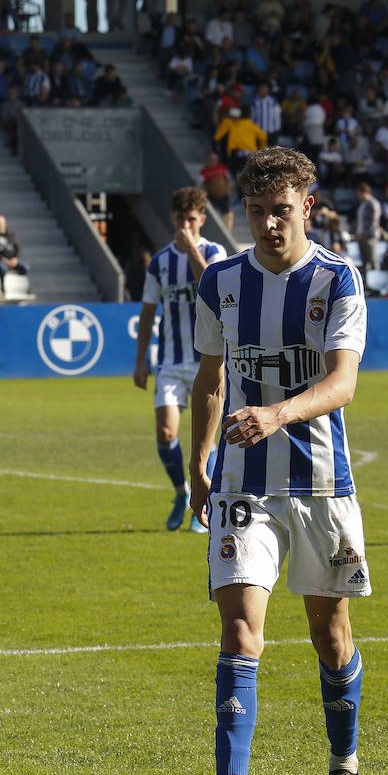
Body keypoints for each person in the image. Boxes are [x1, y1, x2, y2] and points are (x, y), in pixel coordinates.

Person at [189, 147, 370, 775]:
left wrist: (275, 413)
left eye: (282, 211)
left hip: (323, 485)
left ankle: (344, 766)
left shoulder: (337, 279)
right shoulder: (220, 282)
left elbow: (343, 383)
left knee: (330, 636)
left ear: (307, 208)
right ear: (244, 212)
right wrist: (199, 461)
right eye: (259, 211)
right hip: (242, 486)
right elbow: (209, 378)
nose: (269, 224)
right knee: (240, 633)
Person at [134, 187, 228, 533]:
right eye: (181, 219)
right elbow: (147, 312)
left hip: (210, 361)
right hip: (171, 363)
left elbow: (212, 287)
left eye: (193, 219)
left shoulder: (215, 252)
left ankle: (200, 508)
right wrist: (140, 359)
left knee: (206, 442)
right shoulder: (159, 262)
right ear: (173, 220)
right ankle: (179, 492)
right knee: (165, 431)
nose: (186, 225)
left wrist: (191, 252)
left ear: (202, 219)